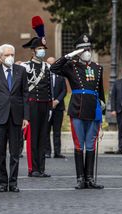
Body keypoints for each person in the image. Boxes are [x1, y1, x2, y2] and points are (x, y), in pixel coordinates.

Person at [51, 34, 105, 190]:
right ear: (78, 51)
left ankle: (89, 179)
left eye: (89, 49)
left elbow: (99, 90)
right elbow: (54, 68)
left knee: (90, 145)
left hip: (93, 109)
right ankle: (80, 178)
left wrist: (103, 106)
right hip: (77, 109)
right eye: (84, 49)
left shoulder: (97, 68)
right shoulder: (71, 66)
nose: (88, 52)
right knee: (79, 145)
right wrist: (69, 56)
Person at [0, 44, 29, 193]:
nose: (10, 57)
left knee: (15, 152)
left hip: (16, 117)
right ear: (0, 57)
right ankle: (3, 183)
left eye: (12, 54)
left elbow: (25, 95)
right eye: (7, 55)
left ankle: (13, 183)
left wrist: (25, 117)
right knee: (1, 152)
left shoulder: (21, 71)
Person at [21, 37, 52, 177]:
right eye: (39, 49)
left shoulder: (47, 67)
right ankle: (33, 168)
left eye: (43, 49)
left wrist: (50, 107)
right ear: (33, 51)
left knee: (43, 137)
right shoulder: (26, 66)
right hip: (32, 104)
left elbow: (49, 88)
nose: (41, 51)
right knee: (33, 137)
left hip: (44, 104)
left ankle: (42, 168)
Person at [45, 57, 67, 159]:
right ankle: (47, 152)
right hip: (47, 108)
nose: (51, 66)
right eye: (49, 64)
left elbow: (64, 91)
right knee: (46, 130)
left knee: (57, 131)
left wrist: (57, 101)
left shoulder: (61, 76)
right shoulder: (44, 76)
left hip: (58, 108)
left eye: (53, 63)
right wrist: (49, 102)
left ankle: (57, 152)